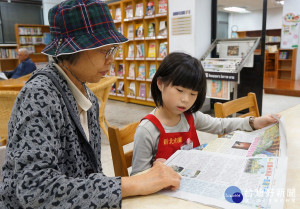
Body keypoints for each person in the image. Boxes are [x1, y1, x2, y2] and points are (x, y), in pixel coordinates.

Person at [0, 1, 180, 208]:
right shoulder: (39, 95)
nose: (111, 60)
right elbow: (35, 190)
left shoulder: (88, 97)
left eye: (113, 49)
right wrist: (132, 183)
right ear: (72, 51)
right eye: (104, 50)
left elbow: (90, 175)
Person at [131, 52, 279, 175]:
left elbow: (220, 125)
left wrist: (254, 122)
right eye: (179, 90)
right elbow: (138, 177)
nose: (185, 100)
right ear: (160, 83)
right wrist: (156, 171)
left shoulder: (190, 116)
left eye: (193, 94)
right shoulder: (147, 130)